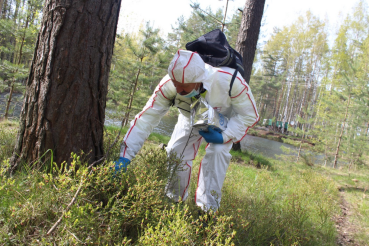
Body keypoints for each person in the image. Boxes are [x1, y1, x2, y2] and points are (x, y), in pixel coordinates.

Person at [115, 49, 259, 211]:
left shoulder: (229, 80)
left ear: (199, 79)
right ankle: (174, 202)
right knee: (176, 153)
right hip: (189, 114)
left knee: (217, 153)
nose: (178, 90)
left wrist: (225, 136)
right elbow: (146, 119)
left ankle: (207, 211)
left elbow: (250, 115)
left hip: (223, 119)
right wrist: (125, 155)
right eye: (176, 85)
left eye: (184, 87)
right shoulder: (169, 84)